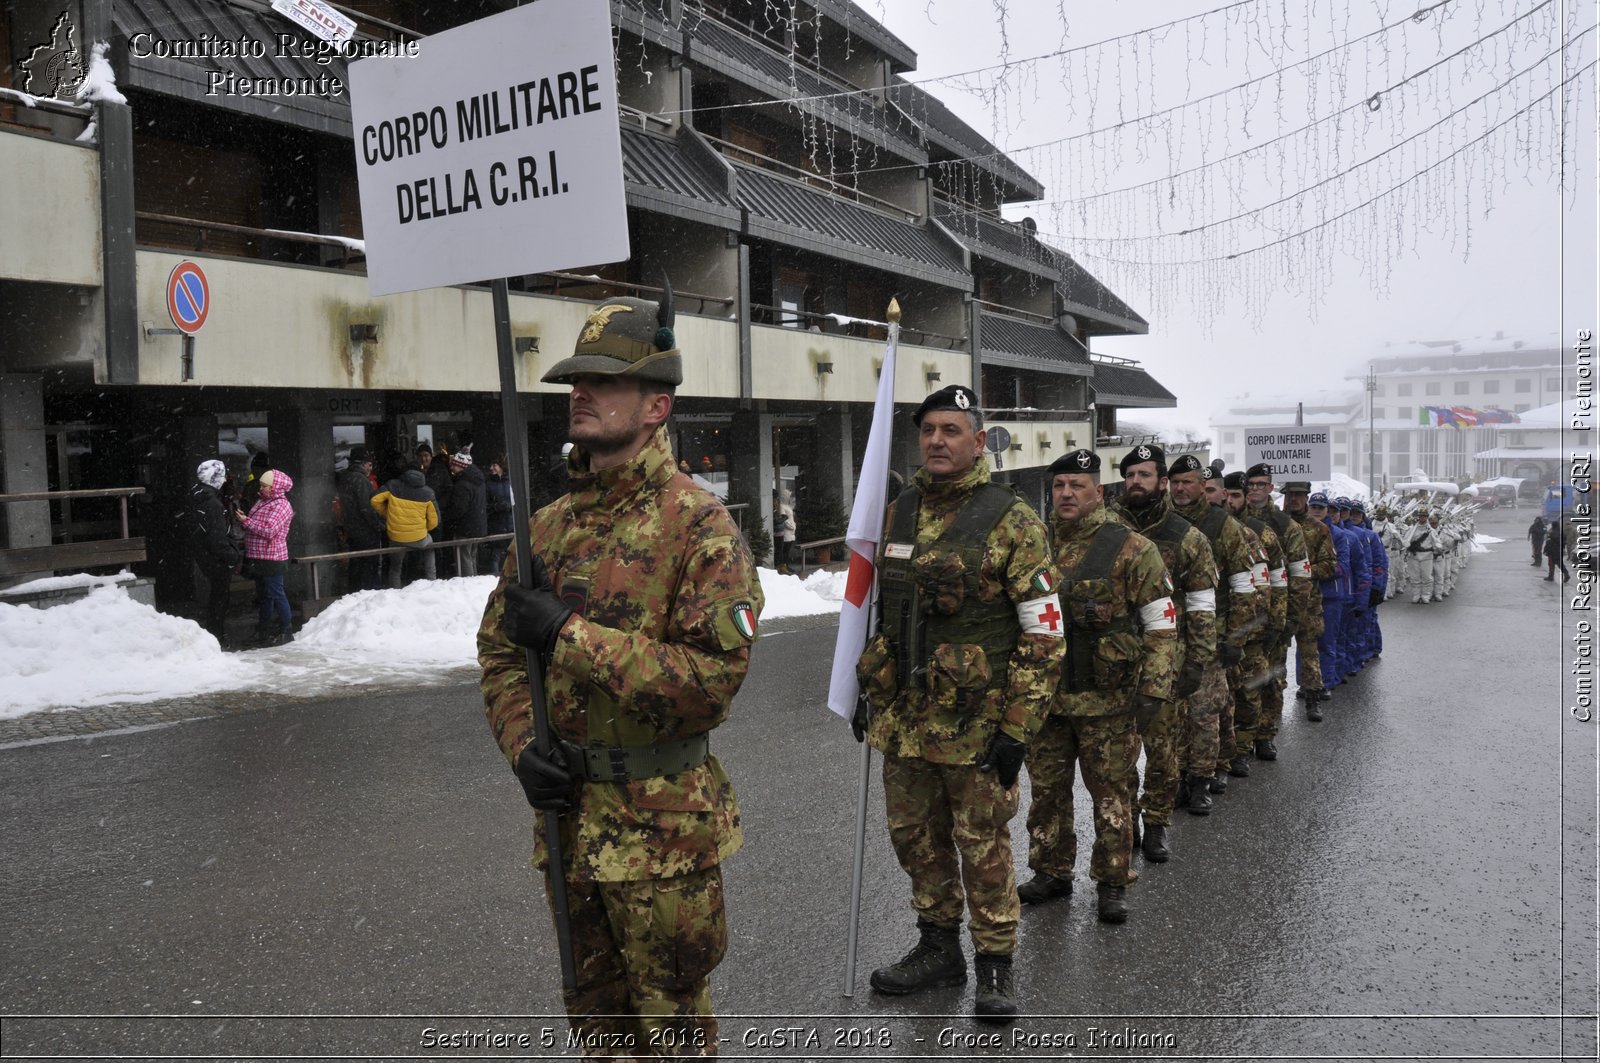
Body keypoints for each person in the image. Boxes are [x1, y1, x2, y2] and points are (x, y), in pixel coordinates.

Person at [479, 292, 764, 1055]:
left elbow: (711, 680)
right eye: (577, 378)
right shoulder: (545, 527)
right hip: (567, 818)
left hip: (662, 831)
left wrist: (569, 636)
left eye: (603, 380)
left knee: (670, 1028)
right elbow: (502, 655)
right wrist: (522, 750)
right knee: (596, 1023)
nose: (580, 391)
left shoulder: (700, 526)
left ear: (655, 405)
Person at [852, 384, 1063, 1020]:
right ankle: (938, 948)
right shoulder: (900, 511)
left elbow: (1045, 631)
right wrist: (868, 689)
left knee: (983, 846)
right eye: (928, 430)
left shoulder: (1011, 517)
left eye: (951, 429)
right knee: (917, 842)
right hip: (906, 722)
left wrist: (1018, 729)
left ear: (978, 438)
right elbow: (886, 615)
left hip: (977, 726)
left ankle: (995, 963)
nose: (937, 440)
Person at [1019, 448, 1176, 926]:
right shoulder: (1036, 545)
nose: (1066, 494)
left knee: (1111, 794)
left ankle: (1112, 881)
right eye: (1059, 487)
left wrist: (1155, 688)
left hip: (1107, 701)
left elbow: (1162, 624)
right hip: (1047, 699)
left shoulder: (1131, 548)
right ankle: (1051, 870)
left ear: (1098, 492)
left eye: (1077, 486)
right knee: (1047, 790)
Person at [1110, 445, 1220, 861]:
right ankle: (1127, 823)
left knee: (1163, 753)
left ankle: (1156, 822)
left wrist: (1197, 661)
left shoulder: (1187, 538)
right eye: (1130, 474)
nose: (1136, 482)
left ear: (1161, 482)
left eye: (1145, 475)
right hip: (1115, 664)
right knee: (1118, 756)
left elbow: (1201, 605)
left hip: (1167, 663)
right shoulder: (1107, 530)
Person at [1168, 456, 1258, 794]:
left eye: (1188, 482)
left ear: (1202, 487)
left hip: (1212, 635)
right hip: (1168, 637)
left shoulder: (1223, 526)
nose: (1181, 488)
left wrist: (1236, 636)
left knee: (1206, 712)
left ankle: (1202, 778)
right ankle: (1175, 776)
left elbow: (1244, 587)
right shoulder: (1163, 522)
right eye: (1175, 482)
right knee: (1174, 716)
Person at [1219, 472, 1284, 765]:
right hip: (1223, 629)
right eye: (1226, 494)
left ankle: (1255, 740)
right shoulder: (1212, 530)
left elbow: (1276, 583)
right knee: (1225, 696)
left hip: (1255, 628)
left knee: (1256, 687)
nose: (1228, 501)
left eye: (1236, 496)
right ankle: (1232, 749)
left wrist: (1278, 624)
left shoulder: (1259, 534)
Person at [1281, 482, 1333, 715]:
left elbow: (1330, 565)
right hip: (1278, 600)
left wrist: (1303, 571)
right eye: (1290, 495)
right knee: (1274, 655)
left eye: (1299, 495)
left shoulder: (1319, 529)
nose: (1293, 500)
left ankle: (1312, 699)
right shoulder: (1273, 525)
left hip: (1308, 602)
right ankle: (1272, 707)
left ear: (1306, 498)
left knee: (1309, 652)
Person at [236, 468, 295, 646]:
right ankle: (263, 631)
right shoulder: (262, 501)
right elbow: (257, 525)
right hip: (258, 556)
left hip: (272, 557)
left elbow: (270, 530)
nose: (261, 489)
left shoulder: (282, 505)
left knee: (276, 594)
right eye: (261, 485)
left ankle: (287, 630)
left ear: (275, 487)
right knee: (264, 596)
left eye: (264, 486)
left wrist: (246, 521)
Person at [186, 459, 241, 644]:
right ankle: (216, 636)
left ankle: (214, 634)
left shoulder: (196, 495)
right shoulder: (212, 503)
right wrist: (233, 556)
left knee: (217, 596)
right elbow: (217, 538)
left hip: (203, 553)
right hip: (215, 557)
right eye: (222, 476)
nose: (225, 480)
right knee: (220, 597)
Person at [371, 467, 440, 587]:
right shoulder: (428, 493)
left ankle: (395, 590)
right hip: (419, 538)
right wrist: (424, 528)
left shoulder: (393, 486)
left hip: (396, 537)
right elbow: (434, 521)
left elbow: (374, 500)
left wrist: (386, 514)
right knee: (430, 547)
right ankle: (431, 580)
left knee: (395, 567)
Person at [336, 446, 386, 591]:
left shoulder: (345, 478)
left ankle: (355, 594)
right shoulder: (361, 481)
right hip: (366, 532)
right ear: (363, 463)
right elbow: (367, 508)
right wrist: (379, 524)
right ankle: (368, 597)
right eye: (369, 464)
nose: (370, 468)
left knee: (357, 568)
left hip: (353, 531)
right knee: (369, 569)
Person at [442, 448, 488, 577]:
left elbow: (458, 509)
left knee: (464, 558)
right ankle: (473, 582)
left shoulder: (462, 484)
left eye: (454, 465)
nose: (452, 468)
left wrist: (445, 516)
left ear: (461, 466)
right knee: (472, 557)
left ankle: (467, 583)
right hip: (477, 525)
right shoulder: (478, 480)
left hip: (465, 528)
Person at [483, 456, 514, 575]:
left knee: (511, 555)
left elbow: (516, 501)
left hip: (509, 523)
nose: (491, 468)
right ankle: (493, 581)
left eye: (494, 465)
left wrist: (509, 506)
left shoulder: (510, 481)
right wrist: (496, 507)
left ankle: (511, 577)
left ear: (501, 467)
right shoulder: (488, 484)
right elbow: (484, 505)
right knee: (495, 556)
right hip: (495, 524)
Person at [772, 489, 797, 574]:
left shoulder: (785, 506)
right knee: (782, 551)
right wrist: (791, 526)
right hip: (783, 532)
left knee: (785, 551)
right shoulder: (780, 506)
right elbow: (782, 519)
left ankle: (785, 566)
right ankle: (781, 567)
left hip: (786, 532)